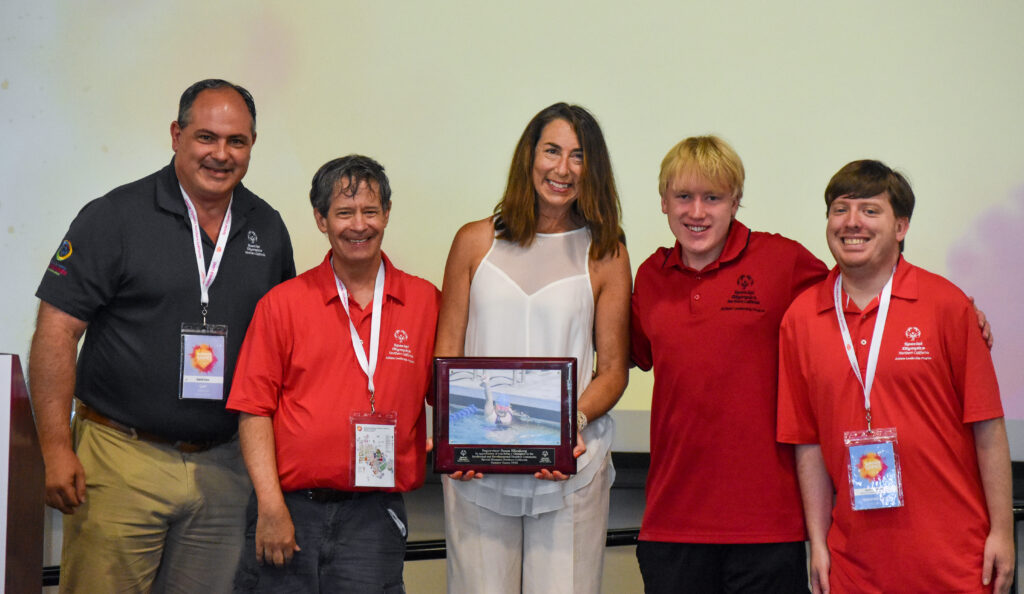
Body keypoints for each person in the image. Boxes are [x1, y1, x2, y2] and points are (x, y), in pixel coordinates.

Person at [28, 79, 295, 592]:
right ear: (176, 135)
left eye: (236, 141)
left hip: (225, 467)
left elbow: (285, 351)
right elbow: (56, 332)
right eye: (206, 137)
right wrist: (55, 448)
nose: (221, 154)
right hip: (123, 459)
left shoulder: (268, 227)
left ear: (252, 145)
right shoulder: (114, 216)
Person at [777, 160, 1014, 593]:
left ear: (901, 226)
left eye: (870, 210)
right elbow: (806, 442)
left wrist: (1002, 531)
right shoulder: (800, 319)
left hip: (957, 560)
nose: (852, 223)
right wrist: (818, 543)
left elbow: (987, 425)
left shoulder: (948, 305)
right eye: (840, 209)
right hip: (854, 566)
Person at [435, 102, 631, 593]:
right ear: (530, 156)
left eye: (578, 156)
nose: (562, 169)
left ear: (594, 170)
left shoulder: (606, 251)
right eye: (551, 151)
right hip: (477, 473)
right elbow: (445, 359)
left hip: (569, 469)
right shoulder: (474, 242)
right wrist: (453, 434)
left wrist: (568, 426)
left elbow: (612, 371)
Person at [226, 155, 440, 592]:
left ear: (387, 213)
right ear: (321, 220)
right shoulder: (283, 304)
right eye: (344, 213)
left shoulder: (426, 302)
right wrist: (270, 507)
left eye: (370, 211)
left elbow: (459, 395)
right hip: (290, 510)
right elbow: (253, 411)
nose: (358, 225)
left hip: (374, 517)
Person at [630, 135, 827, 593]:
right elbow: (628, 355)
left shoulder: (783, 261)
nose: (696, 212)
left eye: (712, 198)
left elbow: (859, 293)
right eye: (683, 196)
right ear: (663, 201)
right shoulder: (649, 276)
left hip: (767, 527)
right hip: (671, 525)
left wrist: (948, 312)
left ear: (736, 201)